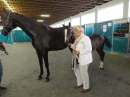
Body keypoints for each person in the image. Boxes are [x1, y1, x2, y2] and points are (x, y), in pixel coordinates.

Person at [68, 25, 93, 93]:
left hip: (84, 58)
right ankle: (80, 83)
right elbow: (75, 46)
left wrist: (80, 52)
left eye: (75, 33)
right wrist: (71, 45)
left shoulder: (85, 38)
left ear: (80, 32)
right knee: (76, 71)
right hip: (76, 58)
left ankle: (86, 86)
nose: (74, 34)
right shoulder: (77, 39)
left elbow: (89, 49)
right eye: (74, 33)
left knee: (84, 73)